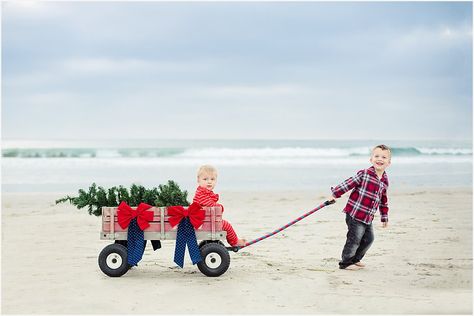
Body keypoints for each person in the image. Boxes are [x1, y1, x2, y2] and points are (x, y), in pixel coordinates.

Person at [329, 144, 391, 270]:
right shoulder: (364, 174)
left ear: (389, 162)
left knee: (369, 239)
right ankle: (346, 263)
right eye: (377, 156)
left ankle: (355, 259)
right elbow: (348, 184)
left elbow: (383, 200)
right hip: (354, 214)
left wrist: (384, 216)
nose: (380, 159)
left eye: (384, 157)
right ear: (371, 159)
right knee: (354, 238)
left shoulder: (384, 180)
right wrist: (335, 194)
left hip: (368, 217)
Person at [193, 165, 247, 247]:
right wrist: (220, 207)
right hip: (203, 223)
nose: (209, 182)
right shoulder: (201, 194)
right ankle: (235, 242)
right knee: (226, 225)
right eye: (205, 179)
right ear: (198, 180)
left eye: (212, 179)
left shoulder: (203, 192)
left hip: (205, 221)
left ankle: (235, 240)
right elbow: (212, 206)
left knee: (224, 223)